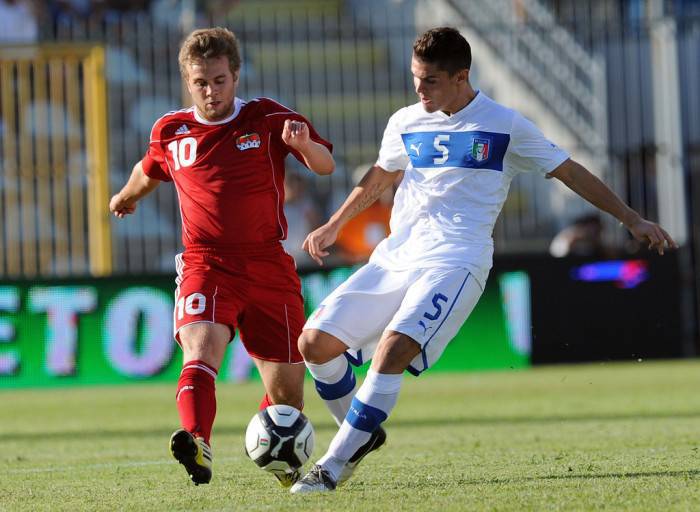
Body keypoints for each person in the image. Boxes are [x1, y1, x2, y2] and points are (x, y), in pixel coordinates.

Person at [289, 27, 677, 493]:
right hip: (395, 258)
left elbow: (569, 171)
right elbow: (381, 174)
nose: (419, 88)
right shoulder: (406, 121)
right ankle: (362, 434)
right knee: (314, 343)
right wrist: (334, 223)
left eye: (430, 80)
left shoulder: (505, 124)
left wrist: (631, 219)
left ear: (461, 77)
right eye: (416, 78)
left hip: (458, 261)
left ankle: (332, 465)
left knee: (394, 350)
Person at [108, 27, 334, 487]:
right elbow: (148, 170)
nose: (211, 91)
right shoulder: (171, 131)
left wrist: (303, 146)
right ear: (187, 82)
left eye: (218, 80)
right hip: (206, 263)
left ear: (235, 75)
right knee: (200, 348)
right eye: (200, 83)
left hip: (268, 265)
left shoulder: (267, 117)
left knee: (287, 397)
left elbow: (325, 163)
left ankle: (283, 460)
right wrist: (126, 197)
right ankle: (198, 442)